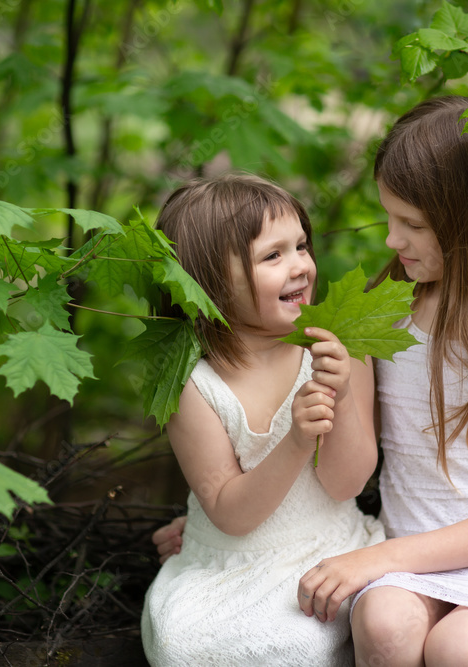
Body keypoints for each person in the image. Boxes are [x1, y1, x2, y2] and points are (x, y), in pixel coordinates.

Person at [156, 97, 468, 667]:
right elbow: (339, 455)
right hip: (401, 561)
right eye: (389, 217)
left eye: (413, 225)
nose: (392, 240)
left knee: (460, 650)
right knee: (384, 624)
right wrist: (212, 528)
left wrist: (374, 560)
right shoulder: (377, 321)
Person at [140, 173, 385, 667]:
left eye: (300, 246)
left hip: (324, 552)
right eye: (272, 256)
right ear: (210, 282)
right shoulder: (192, 382)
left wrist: (337, 397)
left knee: (295, 647)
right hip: (225, 563)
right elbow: (231, 513)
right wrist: (295, 440)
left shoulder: (337, 348)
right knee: (183, 648)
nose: (299, 266)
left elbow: (348, 483)